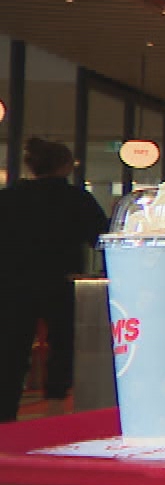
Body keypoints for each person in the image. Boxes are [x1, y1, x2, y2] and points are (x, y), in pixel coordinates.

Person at [0, 138, 110, 420]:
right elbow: (103, 238)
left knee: (12, 348)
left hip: (13, 283)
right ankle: (57, 404)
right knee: (63, 343)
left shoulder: (9, 198)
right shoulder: (76, 199)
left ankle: (6, 411)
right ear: (65, 166)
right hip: (61, 281)